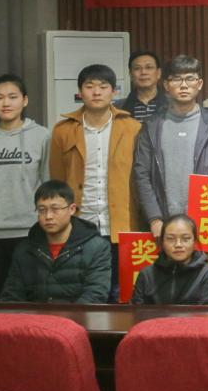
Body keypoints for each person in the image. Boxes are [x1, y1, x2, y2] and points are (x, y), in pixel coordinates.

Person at [50, 64, 142, 303]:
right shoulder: (62, 131)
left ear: (114, 91)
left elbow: (141, 178)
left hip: (121, 224)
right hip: (79, 224)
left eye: (103, 86)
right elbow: (57, 182)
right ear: (80, 92)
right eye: (89, 86)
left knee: (121, 293)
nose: (96, 92)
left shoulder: (133, 128)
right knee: (82, 291)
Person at [134, 54, 208, 238]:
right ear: (166, 85)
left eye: (190, 78)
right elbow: (142, 174)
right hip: (162, 221)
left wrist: (206, 215)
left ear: (199, 84)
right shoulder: (151, 125)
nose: (184, 85)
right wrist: (154, 218)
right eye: (176, 79)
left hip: (203, 220)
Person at [0, 75, 49, 300]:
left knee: (31, 299)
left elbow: (48, 184)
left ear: (25, 100)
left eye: (12, 97)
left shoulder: (42, 135)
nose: (6, 103)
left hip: (29, 230)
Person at [0, 180, 110, 303]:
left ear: (72, 209)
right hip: (35, 315)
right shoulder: (24, 249)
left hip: (78, 314)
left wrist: (69, 315)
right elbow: (12, 296)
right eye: (42, 210)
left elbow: (95, 295)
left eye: (55, 209)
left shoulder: (97, 247)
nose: (48, 216)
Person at [130, 214, 208, 305]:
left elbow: (206, 311)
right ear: (162, 242)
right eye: (171, 239)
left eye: (186, 239)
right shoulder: (147, 274)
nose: (178, 245)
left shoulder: (206, 274)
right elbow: (136, 310)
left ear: (194, 241)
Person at [118, 51, 167, 122]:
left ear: (158, 73)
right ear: (130, 75)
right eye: (137, 68)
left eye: (149, 67)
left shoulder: (175, 105)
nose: (143, 72)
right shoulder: (118, 107)